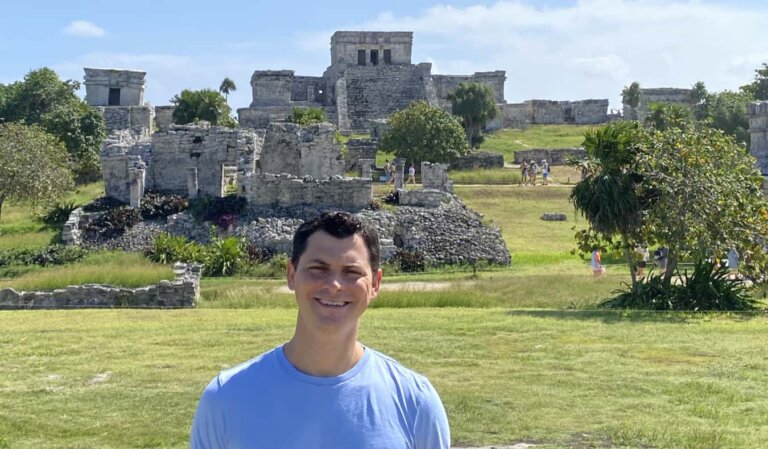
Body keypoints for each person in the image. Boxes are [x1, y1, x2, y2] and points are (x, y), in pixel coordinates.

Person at [190, 212, 451, 449]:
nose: (335, 285)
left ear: (375, 284)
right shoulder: (226, 397)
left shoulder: (416, 403)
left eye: (351, 272)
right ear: (291, 274)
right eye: (318, 269)